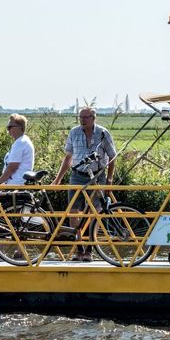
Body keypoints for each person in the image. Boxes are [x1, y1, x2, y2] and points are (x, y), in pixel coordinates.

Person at [52, 107, 117, 261]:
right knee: (73, 211)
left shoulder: (103, 133)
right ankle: (79, 247)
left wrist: (109, 179)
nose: (82, 120)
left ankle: (90, 249)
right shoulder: (74, 132)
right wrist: (58, 178)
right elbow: (68, 157)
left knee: (96, 212)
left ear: (93, 118)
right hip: (77, 175)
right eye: (80, 117)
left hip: (97, 175)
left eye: (85, 117)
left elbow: (112, 156)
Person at [0, 114, 35, 185]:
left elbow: (12, 168)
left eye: (10, 127)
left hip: (16, 184)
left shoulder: (20, 143)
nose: (8, 130)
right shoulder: (22, 141)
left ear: (19, 127)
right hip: (15, 182)